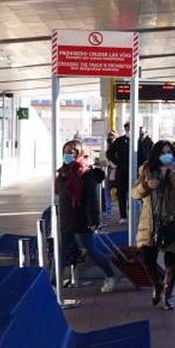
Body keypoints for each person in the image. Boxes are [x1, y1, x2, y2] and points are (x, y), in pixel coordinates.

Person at [133, 140, 175, 310]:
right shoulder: (147, 169)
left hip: (173, 222)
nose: (166, 155)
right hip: (150, 221)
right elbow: (135, 193)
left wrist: (174, 174)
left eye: (169, 152)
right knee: (147, 258)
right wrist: (146, 185)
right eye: (162, 152)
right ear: (156, 155)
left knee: (171, 259)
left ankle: (167, 295)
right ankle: (158, 285)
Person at [55, 139, 117, 293]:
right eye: (66, 151)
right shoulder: (63, 173)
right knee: (61, 253)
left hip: (82, 221)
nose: (68, 154)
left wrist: (93, 221)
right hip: (66, 219)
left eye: (72, 152)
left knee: (90, 249)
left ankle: (110, 275)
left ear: (80, 153)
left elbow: (92, 201)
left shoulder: (86, 174)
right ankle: (52, 283)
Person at [105, 123, 131, 222]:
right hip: (122, 170)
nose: (129, 130)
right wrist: (117, 163)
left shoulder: (139, 141)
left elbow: (143, 155)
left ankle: (137, 213)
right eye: (127, 128)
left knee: (136, 193)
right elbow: (110, 153)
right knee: (121, 193)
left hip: (136, 171)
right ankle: (123, 216)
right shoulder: (120, 140)